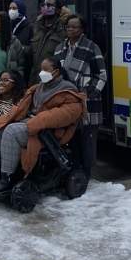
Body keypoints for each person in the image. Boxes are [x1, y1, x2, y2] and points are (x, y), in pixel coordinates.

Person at [0, 57, 86, 195]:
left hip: (46, 133)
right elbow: (21, 108)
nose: (41, 73)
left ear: (56, 72)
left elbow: (61, 115)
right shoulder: (38, 88)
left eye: (45, 70)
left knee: (11, 131)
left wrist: (35, 121)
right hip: (29, 124)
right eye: (41, 69)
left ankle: (7, 178)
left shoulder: (69, 93)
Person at [53, 14, 107, 176]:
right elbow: (55, 72)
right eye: (68, 27)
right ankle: (74, 172)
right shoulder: (60, 48)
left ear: (82, 29)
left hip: (87, 102)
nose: (71, 30)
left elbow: (102, 75)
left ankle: (87, 172)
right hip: (66, 100)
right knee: (71, 138)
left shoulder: (91, 47)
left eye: (75, 27)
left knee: (88, 139)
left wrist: (87, 92)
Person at [29, 0, 65, 85]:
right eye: (44, 5)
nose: (45, 7)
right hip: (34, 77)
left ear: (58, 10)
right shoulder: (36, 27)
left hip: (51, 78)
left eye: (49, 5)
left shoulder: (62, 30)